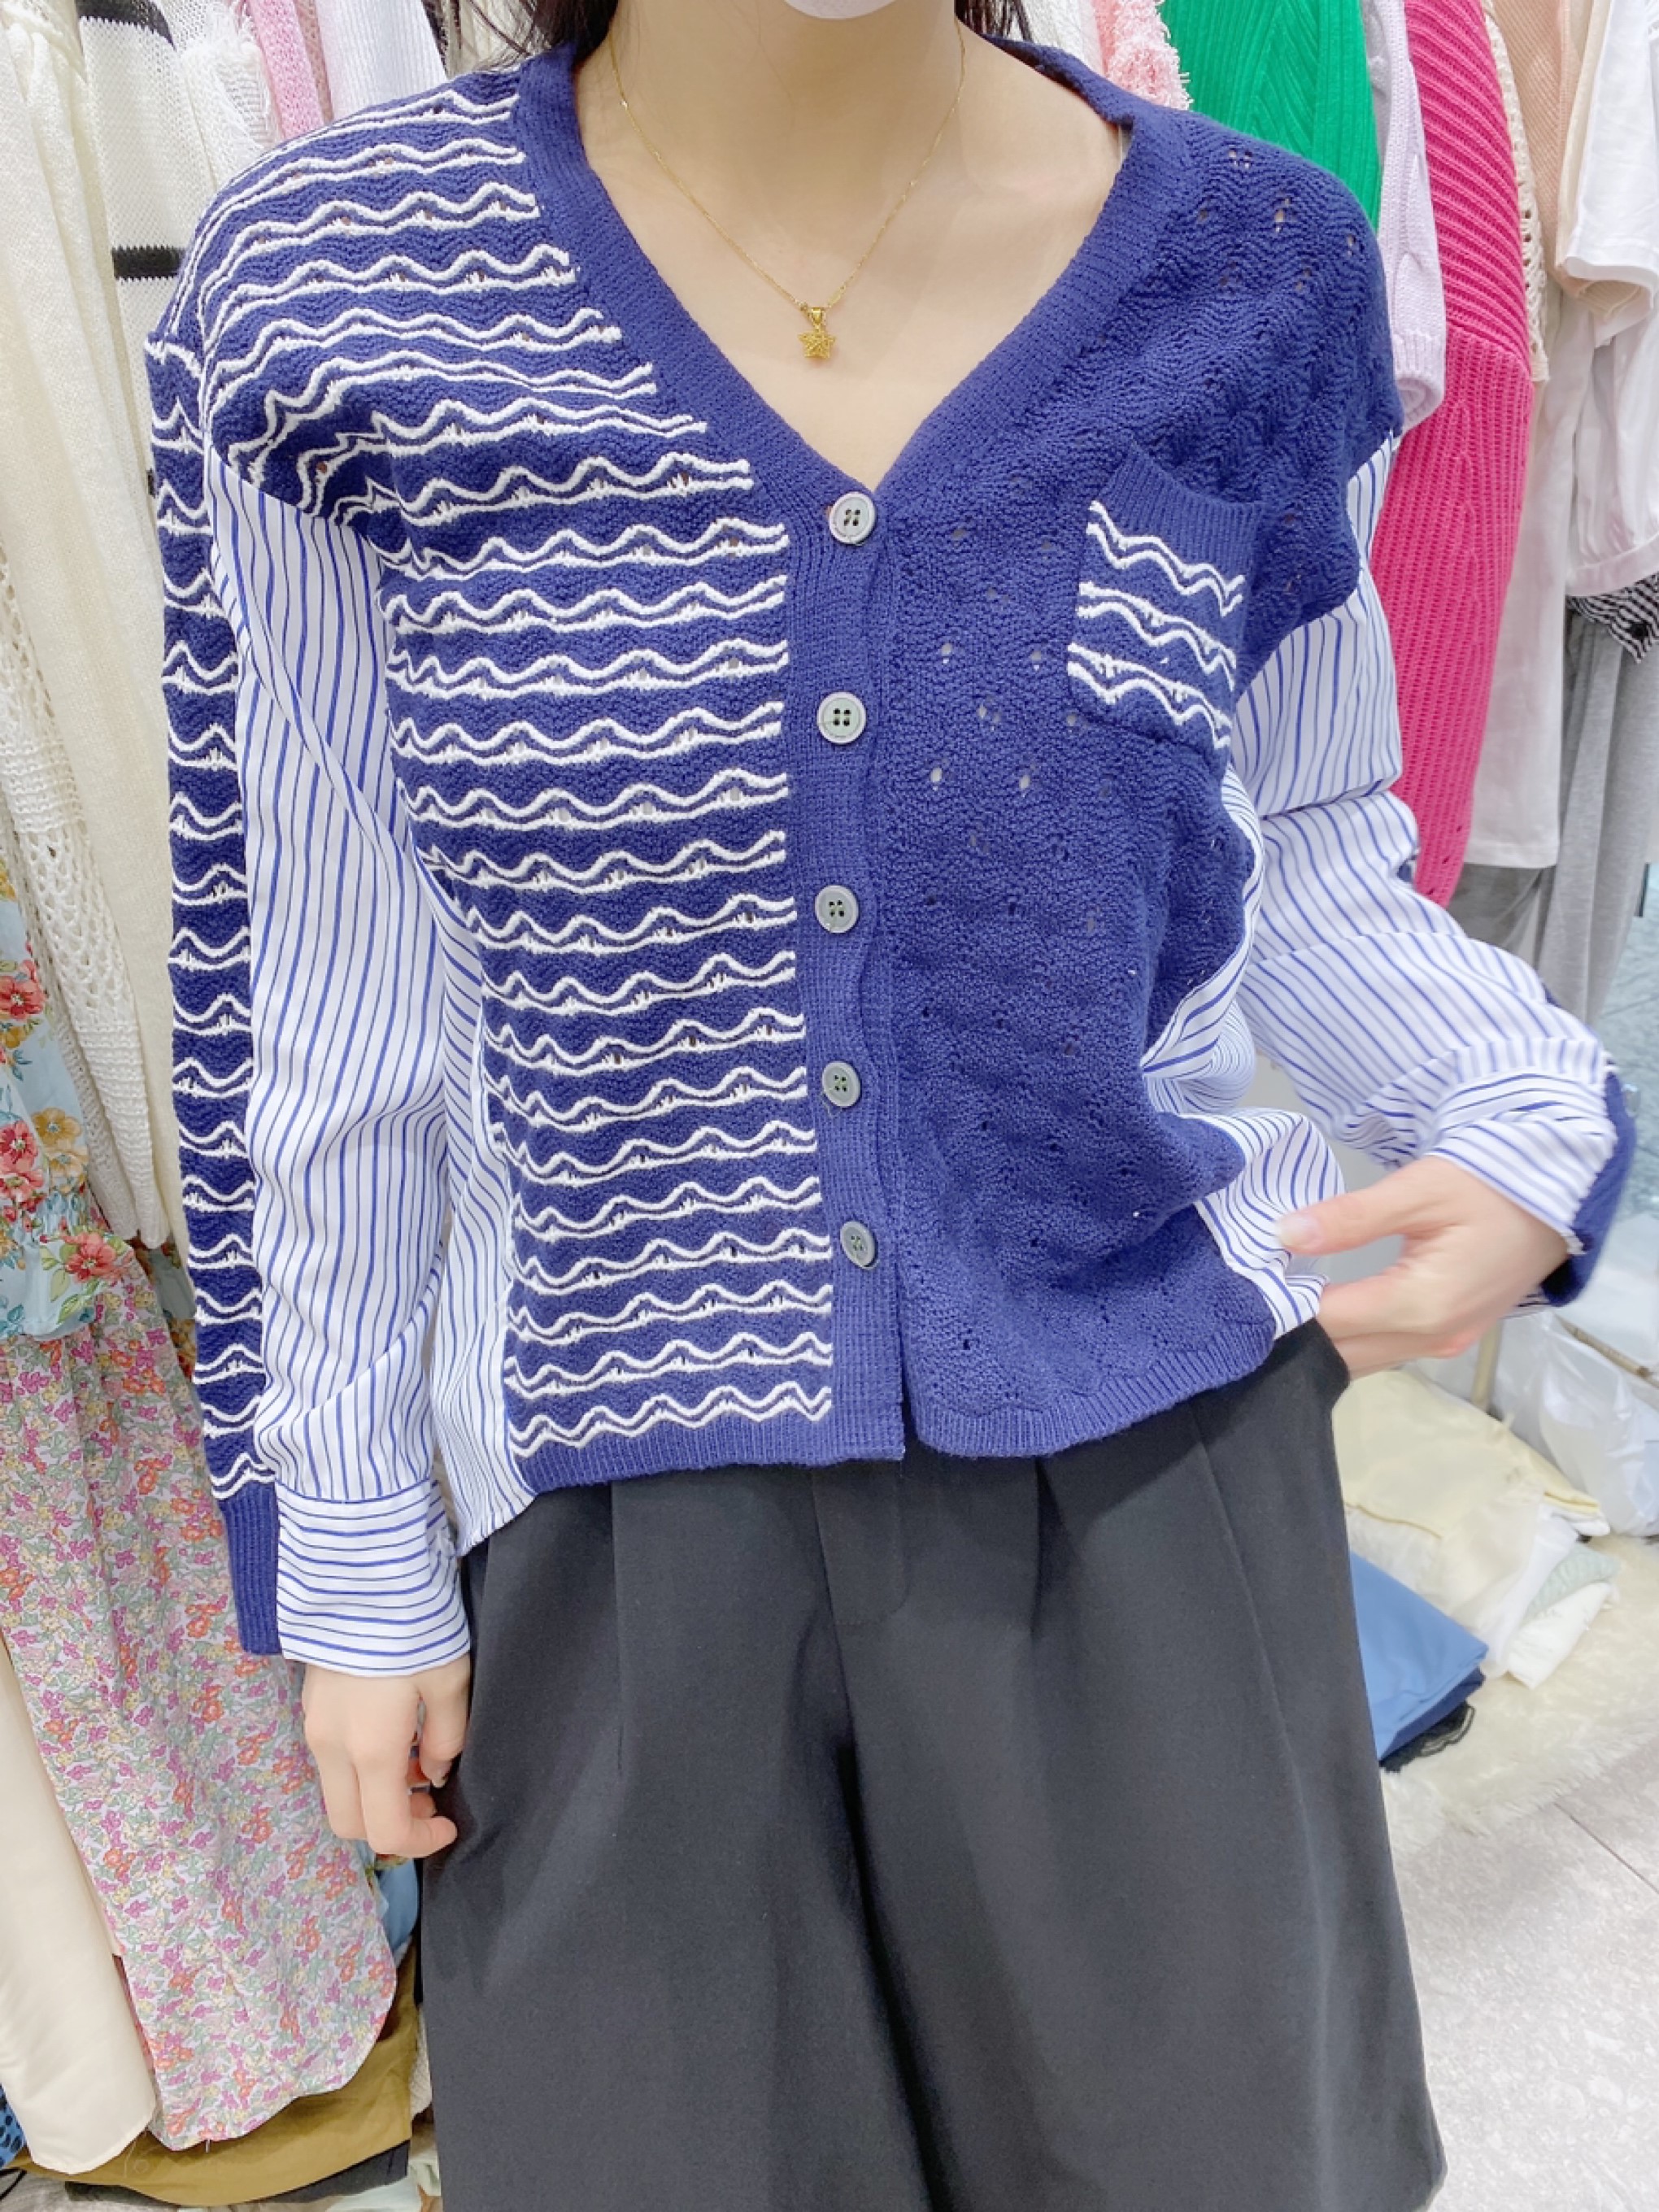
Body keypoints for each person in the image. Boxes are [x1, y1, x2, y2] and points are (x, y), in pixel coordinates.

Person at [149, 2, 1631, 2205]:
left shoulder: (1255, 265)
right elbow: (319, 983)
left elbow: (1311, 842)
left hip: (1142, 1501)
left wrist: (1519, 1106)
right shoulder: (328, 282)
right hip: (611, 1534)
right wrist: (354, 1542)